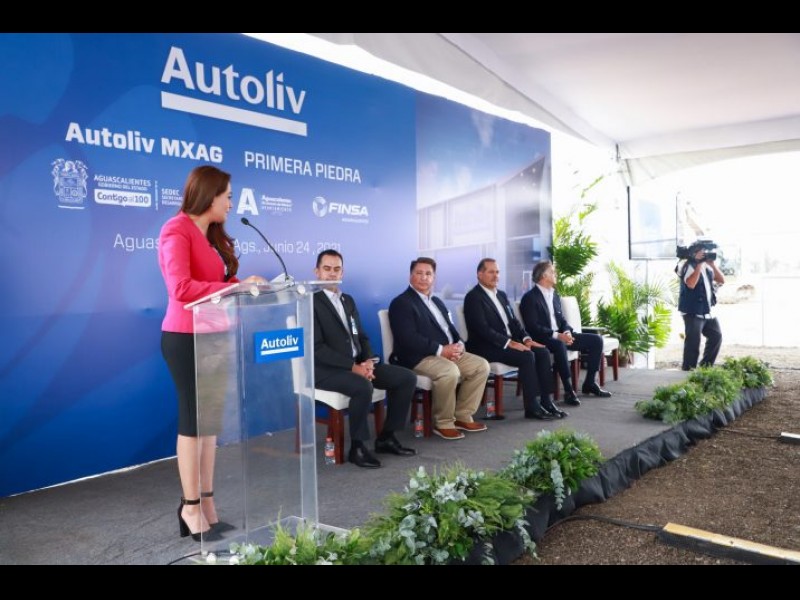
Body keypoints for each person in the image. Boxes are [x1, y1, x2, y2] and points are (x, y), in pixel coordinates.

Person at [158, 165, 267, 541]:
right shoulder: (176, 230)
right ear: (209, 195)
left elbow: (217, 283)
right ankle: (189, 507)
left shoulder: (212, 236)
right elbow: (182, 288)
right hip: (185, 337)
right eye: (228, 196)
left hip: (214, 335)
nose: (232, 204)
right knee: (193, 423)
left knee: (210, 427)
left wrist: (244, 284)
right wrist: (234, 289)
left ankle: (206, 503)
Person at [313, 250, 417, 468]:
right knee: (362, 386)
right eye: (327, 268)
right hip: (327, 371)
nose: (332, 273)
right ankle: (357, 447)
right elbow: (317, 348)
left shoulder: (348, 300)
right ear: (317, 272)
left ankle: (387, 437)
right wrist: (353, 367)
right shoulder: (310, 302)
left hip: (357, 364)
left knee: (406, 378)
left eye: (337, 269)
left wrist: (368, 361)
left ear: (342, 272)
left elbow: (360, 335)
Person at [388, 257, 490, 440]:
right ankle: (443, 423)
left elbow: (450, 329)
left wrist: (459, 345)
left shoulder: (437, 302)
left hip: (447, 353)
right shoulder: (401, 303)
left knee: (481, 366)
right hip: (418, 357)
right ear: (410, 276)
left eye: (428, 274)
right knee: (449, 371)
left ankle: (462, 416)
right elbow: (408, 338)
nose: (423, 277)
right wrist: (441, 350)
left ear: (434, 278)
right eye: (419, 273)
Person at [463, 259, 566, 419]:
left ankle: (547, 401)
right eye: (491, 272)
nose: (496, 276)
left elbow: (514, 322)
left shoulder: (501, 295)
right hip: (486, 346)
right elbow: (482, 329)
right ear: (480, 274)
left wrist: (526, 339)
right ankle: (532, 407)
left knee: (542, 352)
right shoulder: (473, 297)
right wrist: (510, 343)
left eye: (497, 272)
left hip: (507, 342)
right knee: (527, 356)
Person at [520, 260, 611, 405]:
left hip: (561, 335)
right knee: (559, 345)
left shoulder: (555, 295)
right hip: (543, 338)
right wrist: (557, 336)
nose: (555, 274)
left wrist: (567, 332)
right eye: (552, 271)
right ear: (544, 275)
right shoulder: (530, 298)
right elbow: (532, 327)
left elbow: (562, 320)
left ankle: (589, 383)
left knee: (596, 340)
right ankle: (569, 391)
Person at [677, 244, 724, 370]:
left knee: (716, 336)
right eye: (702, 253)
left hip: (707, 311)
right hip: (692, 312)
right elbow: (691, 284)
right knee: (693, 343)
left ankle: (705, 368)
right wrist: (698, 264)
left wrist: (712, 264)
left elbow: (721, 280)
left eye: (705, 252)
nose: (704, 255)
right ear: (694, 254)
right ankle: (688, 371)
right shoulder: (687, 265)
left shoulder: (707, 267)